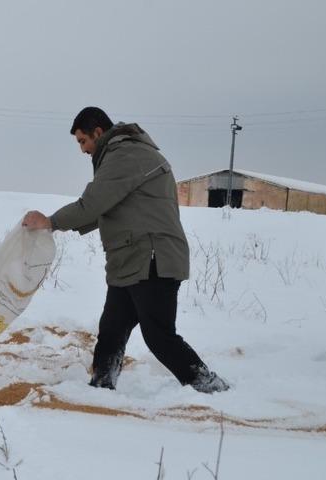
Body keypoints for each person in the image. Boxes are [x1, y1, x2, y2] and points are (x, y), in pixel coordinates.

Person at [22, 107, 229, 393]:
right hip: (133, 259)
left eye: (83, 141)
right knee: (112, 329)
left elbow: (93, 203)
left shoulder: (125, 155)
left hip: (153, 258)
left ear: (98, 132)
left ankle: (209, 386)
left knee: (158, 335)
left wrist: (52, 221)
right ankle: (102, 385)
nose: (82, 150)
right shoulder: (121, 155)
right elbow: (104, 208)